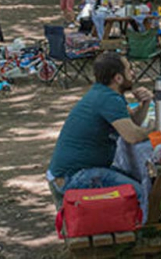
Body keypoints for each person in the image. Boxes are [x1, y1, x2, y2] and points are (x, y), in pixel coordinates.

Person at [46, 53, 154, 214]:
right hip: (72, 178)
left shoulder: (106, 93)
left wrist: (145, 104)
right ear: (118, 78)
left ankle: (131, 227)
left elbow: (132, 124)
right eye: (129, 69)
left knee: (139, 180)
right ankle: (139, 231)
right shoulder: (108, 99)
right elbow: (133, 135)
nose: (133, 73)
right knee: (140, 193)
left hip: (76, 172)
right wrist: (155, 128)